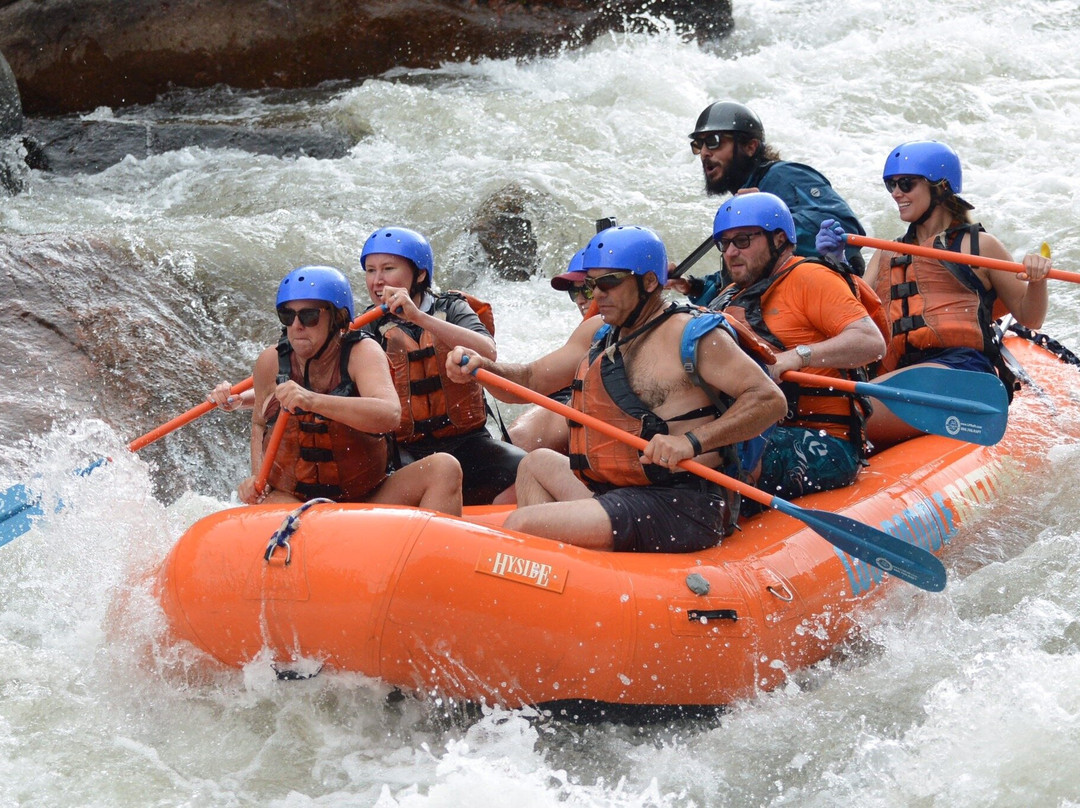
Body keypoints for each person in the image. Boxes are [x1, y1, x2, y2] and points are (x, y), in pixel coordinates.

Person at [445, 225, 788, 553]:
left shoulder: (694, 335)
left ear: (650, 282)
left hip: (681, 502)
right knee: (537, 464)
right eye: (592, 284)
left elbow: (769, 400)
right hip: (619, 491)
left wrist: (690, 442)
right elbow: (531, 380)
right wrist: (485, 368)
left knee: (523, 524)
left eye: (609, 283)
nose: (597, 294)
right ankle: (568, 578)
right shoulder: (600, 332)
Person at [817, 140, 1052, 447]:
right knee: (822, 408)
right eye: (891, 185)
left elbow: (1030, 316)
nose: (895, 193)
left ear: (940, 187)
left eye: (905, 184)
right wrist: (836, 265)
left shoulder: (979, 246)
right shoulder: (887, 254)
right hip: (902, 378)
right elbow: (853, 317)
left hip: (960, 373)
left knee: (841, 414)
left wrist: (1037, 279)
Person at [235, 265, 463, 514]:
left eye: (309, 316)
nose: (297, 325)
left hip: (366, 497)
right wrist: (258, 479)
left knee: (445, 468)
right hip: (293, 499)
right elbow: (259, 423)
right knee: (268, 503)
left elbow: (389, 414)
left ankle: (430, 551)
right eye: (287, 316)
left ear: (337, 318)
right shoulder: (270, 361)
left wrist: (313, 401)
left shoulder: (362, 353)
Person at [709, 192, 886, 502]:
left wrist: (797, 357)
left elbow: (870, 342)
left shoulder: (810, 277)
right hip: (755, 424)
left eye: (743, 241)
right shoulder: (729, 296)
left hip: (825, 440)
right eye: (725, 244)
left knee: (724, 451)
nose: (732, 252)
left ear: (779, 239)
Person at [360, 226, 526, 505]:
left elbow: (488, 351)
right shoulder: (366, 328)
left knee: (529, 471)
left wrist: (418, 318)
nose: (377, 281)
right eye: (370, 270)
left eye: (388, 269)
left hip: (469, 442)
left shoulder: (451, 308)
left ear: (420, 275)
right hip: (403, 450)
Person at [672, 100, 867, 304]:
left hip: (824, 303)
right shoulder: (745, 202)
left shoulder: (782, 176)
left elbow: (847, 229)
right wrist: (693, 287)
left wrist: (768, 217)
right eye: (698, 144)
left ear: (750, 146)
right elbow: (744, 279)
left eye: (713, 141)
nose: (704, 152)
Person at [506, 249, 589, 453]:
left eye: (587, 290)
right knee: (517, 438)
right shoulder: (591, 330)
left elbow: (530, 379)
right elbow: (532, 379)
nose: (580, 300)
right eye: (574, 292)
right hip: (573, 392)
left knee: (520, 439)